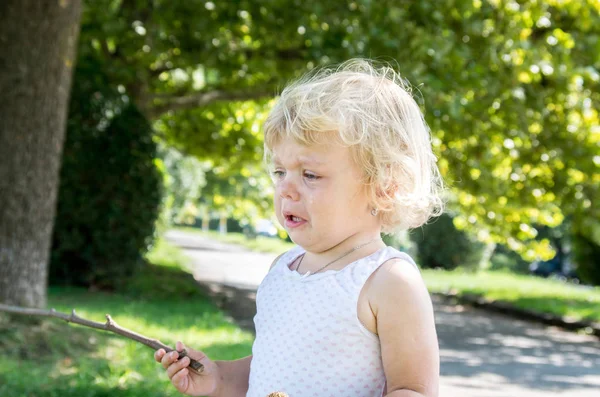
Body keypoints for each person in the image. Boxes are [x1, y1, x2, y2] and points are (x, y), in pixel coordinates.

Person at [154, 59, 445, 397]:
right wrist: (218, 379)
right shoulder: (284, 269)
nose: (286, 189)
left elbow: (414, 389)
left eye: (310, 175)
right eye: (280, 172)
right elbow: (271, 365)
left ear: (384, 187)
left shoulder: (388, 280)